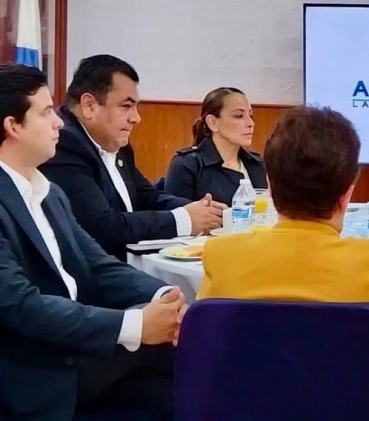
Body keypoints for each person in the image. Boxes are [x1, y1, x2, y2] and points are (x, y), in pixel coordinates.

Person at [0, 64, 186, 419]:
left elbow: (98, 266)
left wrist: (165, 297)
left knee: (193, 363)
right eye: (46, 112)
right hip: (33, 374)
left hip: (78, 348)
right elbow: (21, 306)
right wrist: (135, 326)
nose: (58, 123)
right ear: (13, 126)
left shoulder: (49, 193)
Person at [199, 105, 369, 343]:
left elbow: (206, 329)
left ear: (270, 186)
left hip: (248, 369)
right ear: (346, 195)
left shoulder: (221, 256)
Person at [39, 55, 223, 260]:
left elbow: (147, 197)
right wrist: (183, 220)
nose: (136, 118)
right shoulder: (63, 144)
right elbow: (101, 227)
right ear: (89, 105)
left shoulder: (116, 143)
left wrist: (203, 211)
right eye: (126, 106)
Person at [165, 87, 267, 205]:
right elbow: (176, 213)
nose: (251, 123)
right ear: (213, 122)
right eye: (239, 116)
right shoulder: (187, 165)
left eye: (251, 116)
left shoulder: (257, 163)